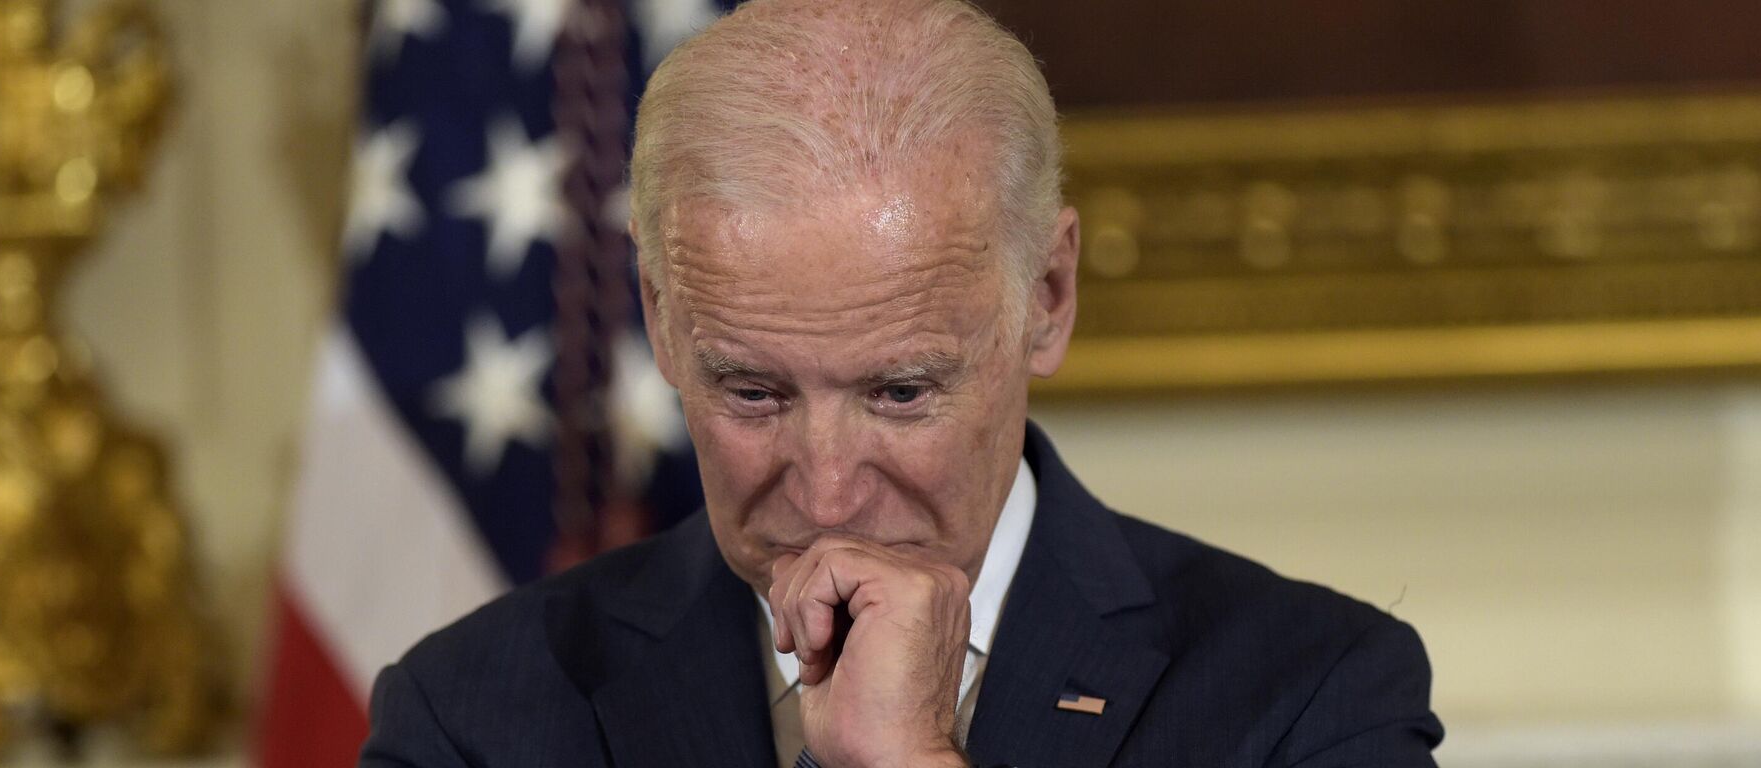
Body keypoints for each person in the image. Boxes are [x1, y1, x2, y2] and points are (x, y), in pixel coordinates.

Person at [359, 0, 1443, 765]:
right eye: (753, 393)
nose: (827, 494)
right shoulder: (476, 717)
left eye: (901, 393)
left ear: (1050, 298)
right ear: (659, 315)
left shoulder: (1308, 697)